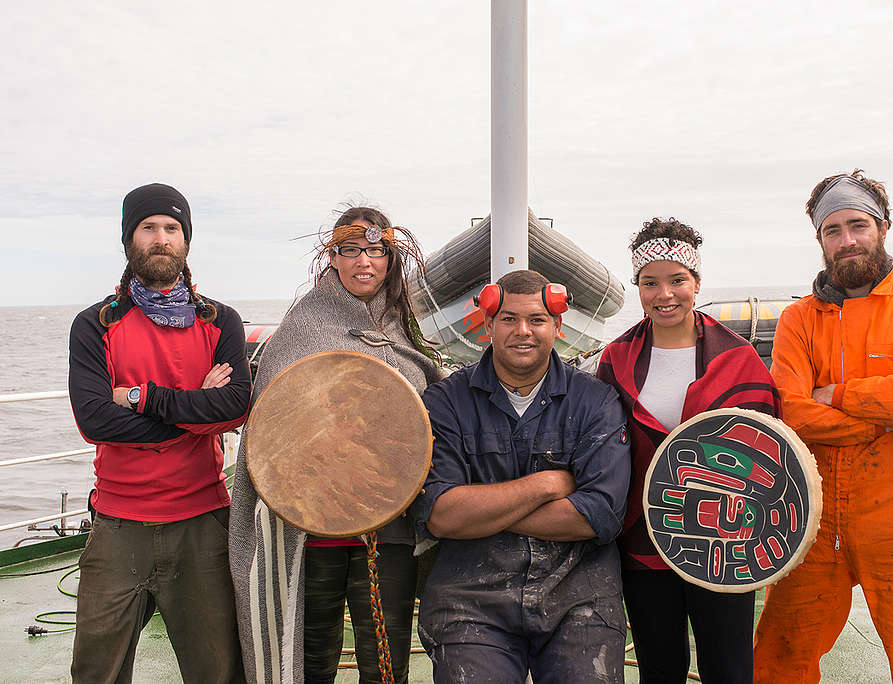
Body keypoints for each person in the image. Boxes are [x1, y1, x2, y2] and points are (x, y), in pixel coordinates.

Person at [752, 170, 893, 683]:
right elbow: (791, 411)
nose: (847, 240)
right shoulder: (798, 320)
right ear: (820, 240)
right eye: (833, 230)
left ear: (883, 228)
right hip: (811, 513)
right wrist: (887, 414)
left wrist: (835, 395)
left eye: (858, 225)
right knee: (779, 657)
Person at [228, 206, 444, 684]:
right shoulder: (302, 330)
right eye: (350, 251)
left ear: (390, 257)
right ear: (334, 256)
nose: (363, 262)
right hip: (311, 535)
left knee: (386, 667)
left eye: (374, 250)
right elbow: (270, 428)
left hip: (388, 532)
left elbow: (420, 419)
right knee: (312, 664)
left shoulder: (398, 330)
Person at [68, 183, 251, 683]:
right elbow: (93, 420)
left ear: (187, 240)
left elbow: (234, 408)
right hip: (117, 524)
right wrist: (194, 411)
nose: (161, 238)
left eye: (172, 228)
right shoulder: (96, 324)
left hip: (202, 521)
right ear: (129, 239)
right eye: (148, 228)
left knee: (217, 671)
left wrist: (139, 397)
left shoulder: (220, 322)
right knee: (95, 673)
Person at [411, 269, 631, 684]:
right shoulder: (444, 402)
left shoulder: (596, 401)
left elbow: (598, 515)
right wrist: (546, 486)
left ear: (558, 326)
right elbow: (441, 516)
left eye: (537, 320)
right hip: (469, 598)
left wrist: (479, 508)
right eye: (509, 319)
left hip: (579, 596)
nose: (523, 331)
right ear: (488, 324)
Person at [595, 218, 781, 684]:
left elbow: (770, 447)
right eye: (649, 282)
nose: (665, 294)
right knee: (659, 669)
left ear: (697, 283)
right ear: (637, 286)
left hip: (726, 542)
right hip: (643, 539)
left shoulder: (737, 357)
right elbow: (599, 445)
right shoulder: (615, 358)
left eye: (677, 280)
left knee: (729, 667)